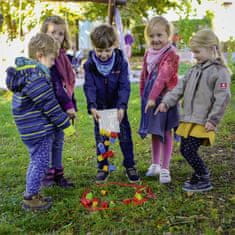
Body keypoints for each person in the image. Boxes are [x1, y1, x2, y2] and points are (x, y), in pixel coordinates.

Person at [157, 29, 231, 192]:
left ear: (212, 48)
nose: (194, 55)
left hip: (204, 120)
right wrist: (167, 102)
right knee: (184, 149)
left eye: (197, 51)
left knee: (189, 150)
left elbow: (223, 98)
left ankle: (203, 176)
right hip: (189, 118)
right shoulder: (194, 70)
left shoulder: (220, 72)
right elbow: (179, 88)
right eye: (193, 52)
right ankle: (199, 174)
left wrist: (213, 120)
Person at [6, 33, 71, 211]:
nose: (53, 63)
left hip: (32, 129)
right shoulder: (36, 78)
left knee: (37, 161)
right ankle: (30, 198)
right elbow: (49, 104)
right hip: (38, 130)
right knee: (40, 162)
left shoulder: (28, 74)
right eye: (51, 59)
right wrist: (66, 124)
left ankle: (33, 193)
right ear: (40, 55)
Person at [83, 24, 140, 183]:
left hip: (117, 109)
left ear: (114, 46)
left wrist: (122, 106)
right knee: (102, 140)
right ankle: (103, 167)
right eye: (99, 50)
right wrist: (92, 106)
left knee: (125, 138)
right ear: (94, 47)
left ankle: (129, 165)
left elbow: (124, 85)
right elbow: (89, 86)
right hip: (101, 109)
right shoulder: (89, 65)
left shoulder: (120, 62)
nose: (103, 54)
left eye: (107, 50)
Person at [138, 16, 179, 184]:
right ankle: (155, 164)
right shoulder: (149, 53)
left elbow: (162, 78)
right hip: (150, 98)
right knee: (154, 131)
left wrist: (153, 98)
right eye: (152, 36)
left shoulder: (171, 54)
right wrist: (143, 95)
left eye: (159, 35)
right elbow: (144, 75)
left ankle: (165, 168)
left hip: (165, 98)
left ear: (168, 35)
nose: (155, 39)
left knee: (166, 132)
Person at [40, 15, 77, 188]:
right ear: (45, 34)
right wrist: (69, 106)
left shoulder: (64, 57)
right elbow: (56, 85)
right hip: (49, 108)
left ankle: (57, 174)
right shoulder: (48, 59)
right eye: (53, 32)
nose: (57, 36)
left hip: (62, 108)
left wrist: (72, 104)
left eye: (61, 34)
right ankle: (47, 175)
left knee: (59, 140)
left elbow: (68, 85)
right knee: (49, 140)